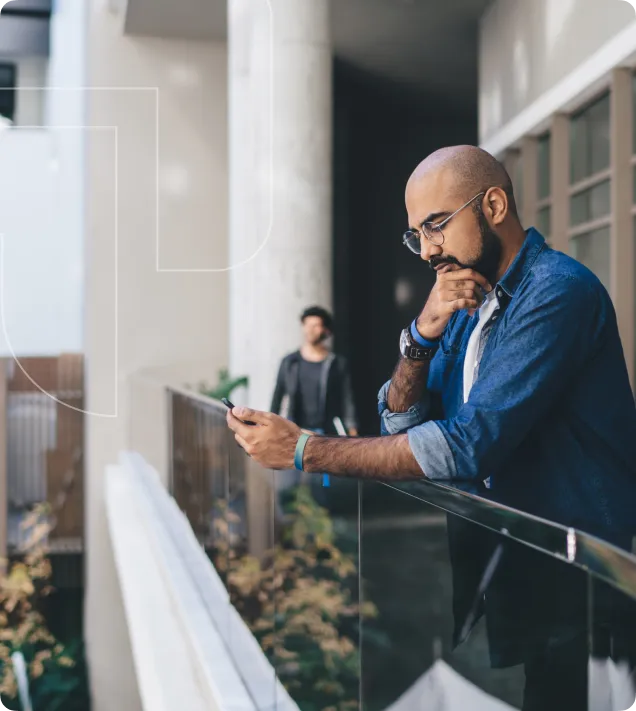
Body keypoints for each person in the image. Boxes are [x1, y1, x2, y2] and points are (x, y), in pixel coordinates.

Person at [228, 145, 636, 710]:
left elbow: (467, 447)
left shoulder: (557, 291)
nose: (426, 250)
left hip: (586, 578)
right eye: (416, 234)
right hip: (523, 568)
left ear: (494, 206)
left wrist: (305, 449)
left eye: (437, 224)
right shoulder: (470, 302)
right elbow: (403, 418)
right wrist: (422, 332)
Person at [270, 306, 358, 437]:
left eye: (315, 326)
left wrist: (352, 428)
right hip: (296, 430)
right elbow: (277, 396)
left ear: (326, 330)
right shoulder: (290, 362)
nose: (310, 330)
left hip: (327, 432)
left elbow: (347, 398)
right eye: (307, 325)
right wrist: (271, 425)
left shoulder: (337, 363)